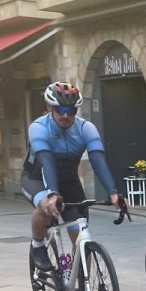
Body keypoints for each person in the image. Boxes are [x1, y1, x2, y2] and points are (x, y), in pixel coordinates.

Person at [22, 81, 121, 274]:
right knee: (44, 207)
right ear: (50, 107)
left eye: (71, 111)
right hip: (36, 179)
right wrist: (52, 193)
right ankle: (38, 246)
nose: (66, 115)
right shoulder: (38, 127)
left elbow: (98, 160)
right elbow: (46, 161)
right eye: (60, 110)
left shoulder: (86, 128)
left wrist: (113, 192)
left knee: (83, 238)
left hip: (68, 182)